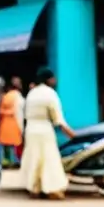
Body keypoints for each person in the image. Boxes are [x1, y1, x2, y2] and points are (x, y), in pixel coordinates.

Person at [22, 68, 76, 200]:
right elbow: (58, 118)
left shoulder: (31, 93)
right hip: (44, 130)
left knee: (33, 159)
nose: (55, 80)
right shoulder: (50, 94)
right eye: (53, 78)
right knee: (49, 159)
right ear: (48, 79)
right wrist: (71, 133)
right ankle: (53, 190)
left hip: (30, 129)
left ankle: (34, 188)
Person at [0, 76, 25, 168]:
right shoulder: (19, 97)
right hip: (15, 124)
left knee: (6, 146)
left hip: (4, 124)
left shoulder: (6, 96)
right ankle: (15, 162)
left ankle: (6, 161)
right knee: (15, 145)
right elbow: (19, 113)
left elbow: (0, 111)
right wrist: (22, 128)